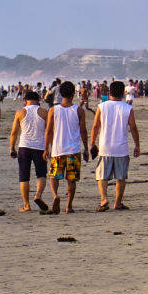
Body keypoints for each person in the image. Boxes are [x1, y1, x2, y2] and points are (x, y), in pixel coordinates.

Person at [90, 81, 140, 212]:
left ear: (109, 92)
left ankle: (103, 199)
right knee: (121, 177)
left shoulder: (102, 106)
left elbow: (95, 126)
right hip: (121, 147)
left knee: (102, 175)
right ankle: (117, 202)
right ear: (123, 92)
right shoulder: (127, 108)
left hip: (105, 146)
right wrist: (137, 145)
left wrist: (92, 142)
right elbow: (133, 127)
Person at [44, 80, 89, 215]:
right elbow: (83, 131)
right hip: (74, 150)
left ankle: (55, 195)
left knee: (54, 177)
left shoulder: (53, 110)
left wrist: (46, 148)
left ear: (60, 94)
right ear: (73, 94)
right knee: (71, 180)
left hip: (58, 149)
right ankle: (68, 206)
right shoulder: (78, 110)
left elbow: (48, 131)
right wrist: (86, 148)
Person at [8, 90, 50, 213]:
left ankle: (26, 205)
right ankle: (38, 195)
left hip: (24, 147)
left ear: (25, 101)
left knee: (24, 176)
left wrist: (12, 148)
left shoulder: (20, 113)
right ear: (38, 100)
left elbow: (14, 133)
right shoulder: (44, 112)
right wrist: (49, 148)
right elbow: (49, 131)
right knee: (41, 174)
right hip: (40, 147)